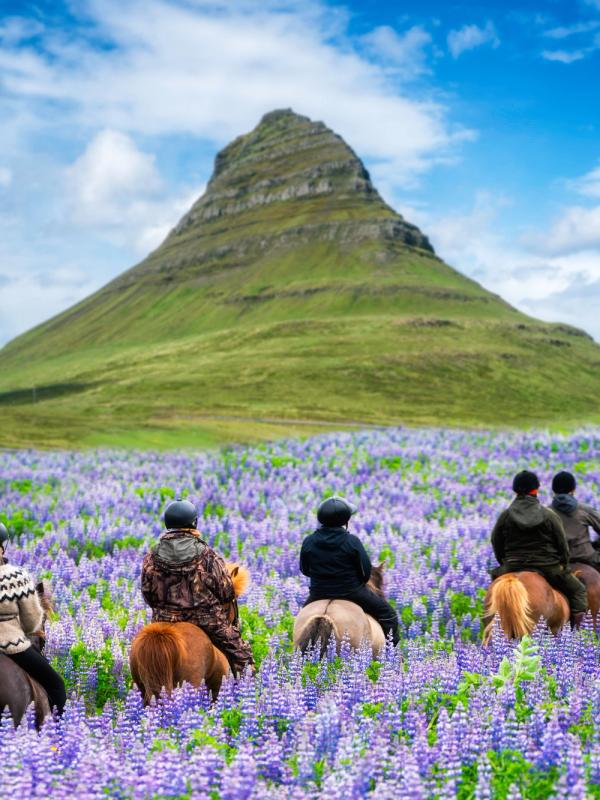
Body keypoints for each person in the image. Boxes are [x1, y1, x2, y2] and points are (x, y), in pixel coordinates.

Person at [141, 499, 254, 677]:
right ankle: (247, 690)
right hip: (206, 619)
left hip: (163, 618)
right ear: (193, 522)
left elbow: (148, 594)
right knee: (242, 654)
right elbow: (226, 592)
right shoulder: (206, 554)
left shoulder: (152, 555)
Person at [490, 470, 587, 627]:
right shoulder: (548, 515)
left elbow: (496, 541)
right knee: (578, 591)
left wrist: (504, 561)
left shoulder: (506, 515)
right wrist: (563, 563)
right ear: (536, 490)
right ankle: (578, 635)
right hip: (547, 566)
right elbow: (562, 544)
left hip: (513, 564)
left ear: (515, 490)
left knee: (493, 589)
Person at [300, 495, 400, 645]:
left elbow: (305, 570)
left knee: (302, 620)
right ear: (345, 521)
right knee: (388, 614)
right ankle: (392, 656)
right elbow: (366, 572)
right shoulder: (351, 541)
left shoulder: (309, 541)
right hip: (352, 592)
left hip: (318, 593)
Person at [0, 522, 67, 715]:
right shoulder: (16, 576)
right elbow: (31, 620)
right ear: (3, 547)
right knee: (55, 684)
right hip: (11, 643)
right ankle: (59, 735)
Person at [549, 470, 600, 570]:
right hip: (587, 557)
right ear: (573, 489)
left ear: (553, 490)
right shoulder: (584, 509)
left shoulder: (546, 512)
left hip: (557, 560)